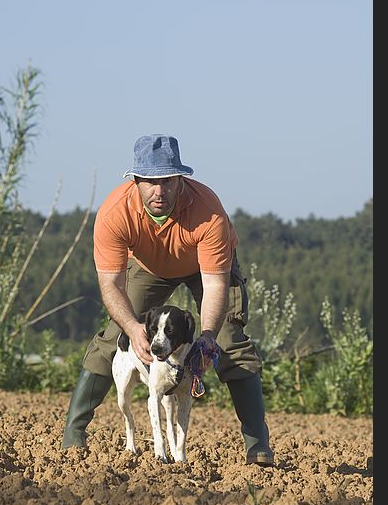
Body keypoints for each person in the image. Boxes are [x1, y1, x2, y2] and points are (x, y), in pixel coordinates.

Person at [61, 134, 274, 466]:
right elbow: (111, 285)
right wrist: (132, 329)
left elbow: (216, 286)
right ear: (136, 181)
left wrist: (206, 337)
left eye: (167, 181)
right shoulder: (115, 213)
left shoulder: (208, 211)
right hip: (148, 266)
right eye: (149, 182)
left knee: (230, 341)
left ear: (180, 179)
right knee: (111, 339)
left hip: (206, 270)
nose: (158, 191)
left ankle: (258, 444)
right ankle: (73, 433)